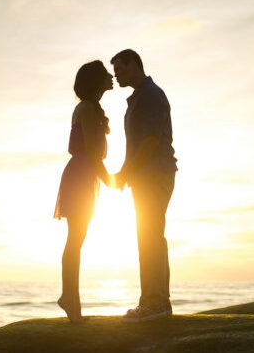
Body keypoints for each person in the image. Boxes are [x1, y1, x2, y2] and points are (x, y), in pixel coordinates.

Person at [110, 49, 178, 322]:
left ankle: (155, 303)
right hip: (146, 175)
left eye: (120, 70)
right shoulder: (140, 97)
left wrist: (125, 172)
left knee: (150, 237)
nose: (116, 76)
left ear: (134, 65)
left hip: (154, 174)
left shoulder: (150, 95)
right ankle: (153, 301)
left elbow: (150, 142)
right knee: (148, 237)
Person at [53, 60, 114, 322]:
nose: (111, 77)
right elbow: (91, 149)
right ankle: (69, 299)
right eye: (105, 74)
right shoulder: (87, 108)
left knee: (77, 239)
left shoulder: (91, 108)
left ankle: (73, 302)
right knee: (75, 239)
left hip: (85, 174)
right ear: (96, 81)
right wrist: (111, 180)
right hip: (81, 174)